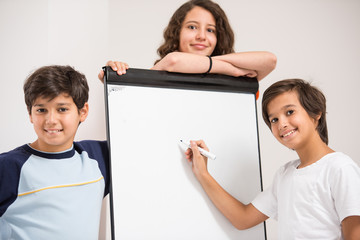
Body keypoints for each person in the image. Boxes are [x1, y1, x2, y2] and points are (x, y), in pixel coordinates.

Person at [185, 79, 360, 239]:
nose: (282, 124)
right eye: (274, 119)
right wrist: (203, 174)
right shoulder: (285, 175)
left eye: (290, 112)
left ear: (316, 114)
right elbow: (243, 219)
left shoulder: (340, 168)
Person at [0, 65, 109, 240]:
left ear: (83, 112)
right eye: (41, 110)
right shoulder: (9, 167)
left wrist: (118, 81)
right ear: (30, 114)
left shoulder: (98, 157)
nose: (51, 120)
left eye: (62, 109)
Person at [98, 0, 277, 82]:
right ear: (177, 33)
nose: (201, 36)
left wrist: (225, 69)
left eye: (210, 30)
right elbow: (174, 60)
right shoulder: (162, 70)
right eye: (192, 27)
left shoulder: (235, 79)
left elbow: (270, 60)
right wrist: (230, 68)